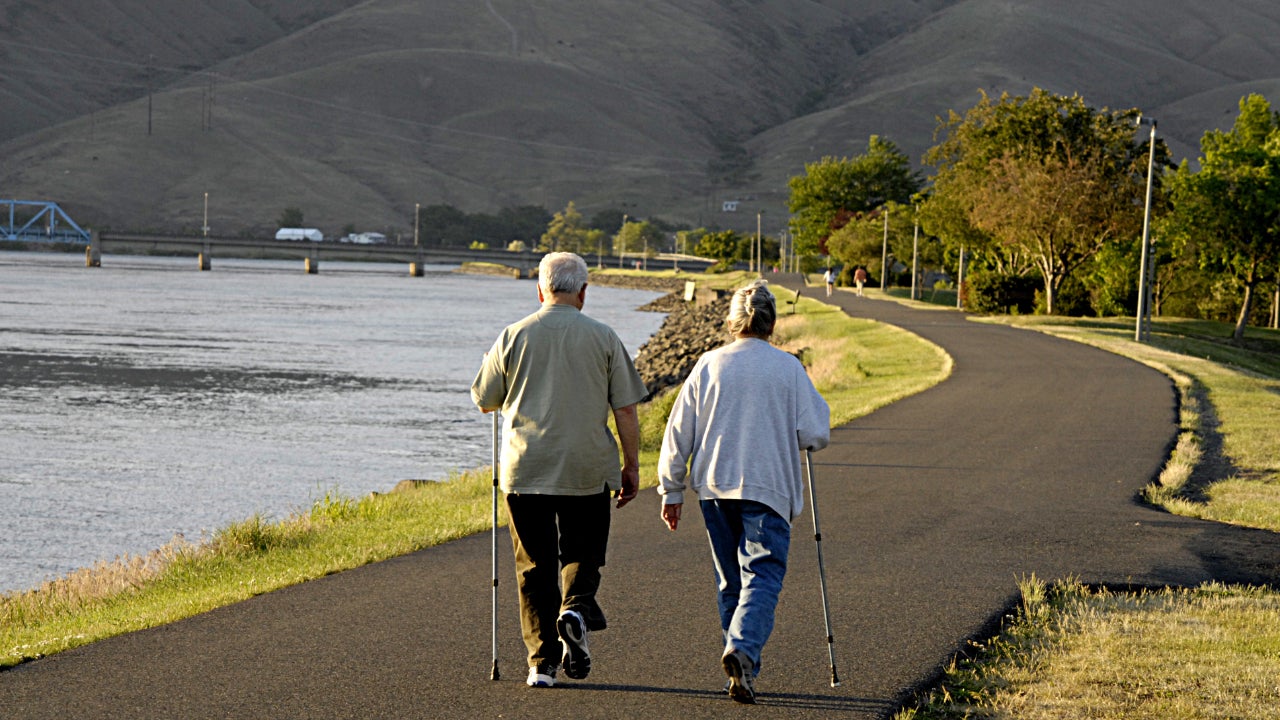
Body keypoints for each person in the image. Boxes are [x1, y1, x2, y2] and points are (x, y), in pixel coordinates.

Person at [471, 252, 647, 689]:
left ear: (540, 289)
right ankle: (576, 607)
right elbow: (624, 408)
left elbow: (484, 399)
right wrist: (631, 465)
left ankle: (542, 664)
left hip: (526, 467)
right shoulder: (604, 337)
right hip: (586, 466)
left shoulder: (513, 335)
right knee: (583, 552)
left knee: (533, 564)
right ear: (583, 292)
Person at [656, 279, 831, 704]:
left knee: (730, 580)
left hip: (715, 487)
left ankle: (740, 666)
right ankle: (743, 651)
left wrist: (671, 490)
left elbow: (679, 432)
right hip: (767, 486)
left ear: (732, 323)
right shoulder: (788, 368)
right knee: (764, 575)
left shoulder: (709, 364)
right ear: (772, 324)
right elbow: (815, 432)